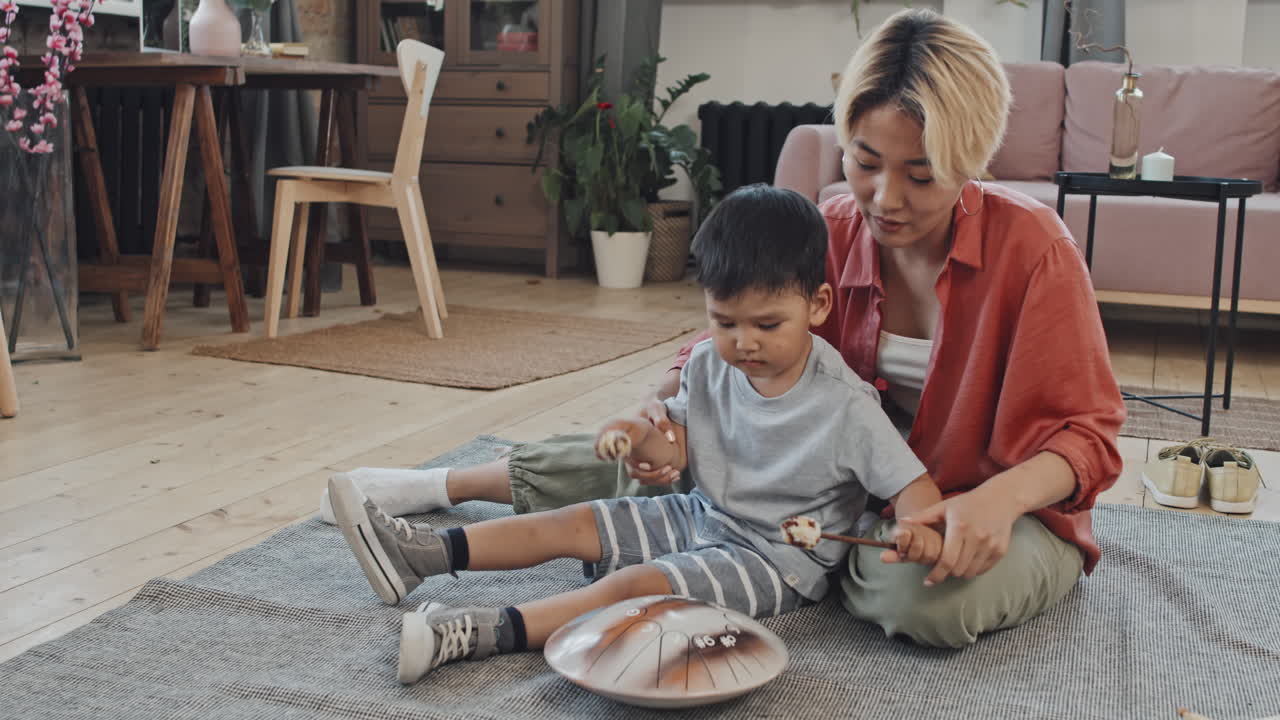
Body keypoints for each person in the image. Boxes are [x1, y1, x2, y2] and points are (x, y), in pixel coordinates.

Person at [320, 7, 1125, 648]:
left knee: (926, 605)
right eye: (864, 160)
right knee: (638, 454)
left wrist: (995, 503)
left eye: (921, 174)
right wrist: (655, 408)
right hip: (820, 486)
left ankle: (802, 563)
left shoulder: (1034, 251)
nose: (883, 198)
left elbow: (1090, 438)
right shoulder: (831, 226)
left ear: (973, 155)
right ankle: (436, 488)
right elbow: (724, 349)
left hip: (970, 498)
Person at [328, 185, 946, 683]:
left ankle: (476, 632)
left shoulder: (846, 406)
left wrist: (919, 528)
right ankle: (423, 556)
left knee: (630, 588)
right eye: (724, 322)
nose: (745, 342)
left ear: (818, 306)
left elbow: (914, 488)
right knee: (573, 521)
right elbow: (674, 454)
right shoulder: (710, 364)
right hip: (703, 511)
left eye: (766, 323)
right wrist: (634, 431)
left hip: (775, 561)